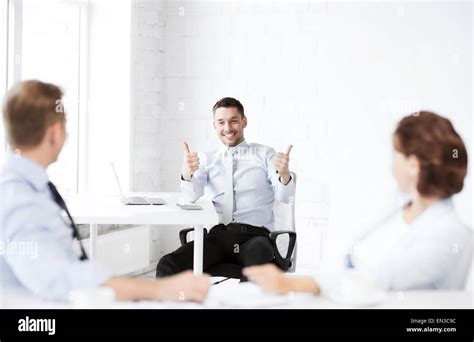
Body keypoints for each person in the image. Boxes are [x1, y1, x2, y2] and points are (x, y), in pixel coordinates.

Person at [0, 80, 210, 302]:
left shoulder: (29, 187)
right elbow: (55, 278)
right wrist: (159, 290)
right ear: (54, 133)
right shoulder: (19, 198)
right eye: (65, 126)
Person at [243, 111, 472, 296]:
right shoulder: (397, 208)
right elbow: (347, 259)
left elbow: (377, 280)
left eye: (396, 155)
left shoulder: (450, 234)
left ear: (413, 165)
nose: (391, 165)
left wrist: (292, 284)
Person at [156, 97, 296, 278]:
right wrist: (187, 174)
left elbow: (285, 197)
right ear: (214, 126)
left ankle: (243, 305)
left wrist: (284, 176)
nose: (228, 128)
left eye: (233, 121)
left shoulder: (265, 154)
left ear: (244, 121)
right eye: (221, 122)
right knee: (168, 264)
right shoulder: (207, 159)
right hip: (217, 238)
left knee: (259, 258)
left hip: (254, 237)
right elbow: (191, 196)